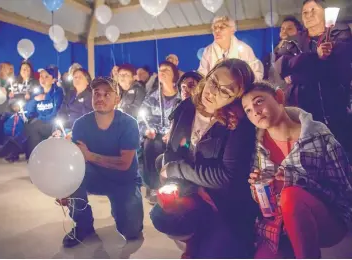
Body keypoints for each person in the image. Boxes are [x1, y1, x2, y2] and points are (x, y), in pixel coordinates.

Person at [150, 59, 258, 258]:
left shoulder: (238, 124)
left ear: (237, 97)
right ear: (208, 76)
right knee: (161, 217)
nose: (213, 92)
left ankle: (203, 241)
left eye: (225, 91)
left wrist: (178, 169)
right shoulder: (186, 108)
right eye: (214, 82)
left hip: (223, 203)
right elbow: (172, 150)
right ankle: (195, 238)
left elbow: (227, 178)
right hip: (193, 190)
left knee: (223, 251)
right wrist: (192, 187)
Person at [242, 81, 352, 258]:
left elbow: (344, 192)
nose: (254, 111)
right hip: (278, 227)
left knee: (291, 195)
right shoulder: (257, 146)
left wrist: (294, 181)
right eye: (247, 110)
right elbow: (264, 204)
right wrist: (258, 189)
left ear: (279, 97)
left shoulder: (319, 138)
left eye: (259, 101)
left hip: (326, 221)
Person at [59, 77, 143, 248]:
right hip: (94, 176)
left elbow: (124, 164)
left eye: (107, 94)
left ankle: (121, 207)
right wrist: (63, 187)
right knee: (73, 180)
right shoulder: (81, 124)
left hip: (124, 181)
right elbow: (76, 161)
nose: (100, 98)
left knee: (132, 232)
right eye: (97, 94)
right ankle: (83, 225)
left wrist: (90, 156)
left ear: (117, 100)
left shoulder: (128, 124)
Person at [274, 0, 352, 160]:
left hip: (337, 112)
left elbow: (340, 70)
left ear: (324, 13)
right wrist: (315, 56)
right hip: (305, 115)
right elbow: (282, 66)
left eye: (313, 10)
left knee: (344, 160)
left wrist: (297, 75)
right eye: (305, 12)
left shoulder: (341, 36)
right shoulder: (292, 41)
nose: (309, 15)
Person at [0, 65, 64, 160]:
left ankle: (10, 148)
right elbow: (28, 110)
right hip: (36, 124)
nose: (42, 79)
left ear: (54, 80)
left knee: (32, 124)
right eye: (41, 76)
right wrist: (34, 100)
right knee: (18, 121)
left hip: (51, 125)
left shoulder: (57, 93)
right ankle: (23, 154)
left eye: (46, 76)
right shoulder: (38, 93)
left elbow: (55, 114)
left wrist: (39, 119)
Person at [138, 61, 181, 204]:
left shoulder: (181, 97)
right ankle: (155, 186)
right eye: (160, 70)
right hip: (156, 133)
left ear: (174, 75)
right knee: (151, 145)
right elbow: (142, 119)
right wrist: (146, 130)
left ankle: (176, 183)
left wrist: (173, 132)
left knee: (180, 147)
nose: (162, 72)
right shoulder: (152, 98)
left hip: (176, 134)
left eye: (166, 70)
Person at [198, 16, 264, 80]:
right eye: (214, 28)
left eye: (222, 27)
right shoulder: (208, 51)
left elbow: (256, 73)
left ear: (232, 30)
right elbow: (202, 76)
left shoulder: (245, 49)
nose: (217, 31)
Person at [262, 16, 303, 86]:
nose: (284, 31)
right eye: (282, 29)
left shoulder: (300, 49)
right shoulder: (275, 50)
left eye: (289, 29)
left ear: (298, 32)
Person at [54, 68, 93, 138]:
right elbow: (62, 112)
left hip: (82, 132)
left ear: (87, 81)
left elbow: (89, 119)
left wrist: (74, 132)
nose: (77, 79)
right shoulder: (69, 94)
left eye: (80, 77)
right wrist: (58, 129)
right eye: (75, 77)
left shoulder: (91, 96)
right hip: (66, 129)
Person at [0, 62, 14, 147]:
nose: (3, 70)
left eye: (5, 68)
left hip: (9, 109)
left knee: (8, 130)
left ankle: (7, 147)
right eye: (1, 68)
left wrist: (11, 95)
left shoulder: (13, 81)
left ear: (10, 69)